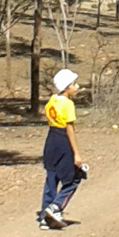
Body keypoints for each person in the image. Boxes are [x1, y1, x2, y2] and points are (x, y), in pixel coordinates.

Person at [39, 68, 86, 228]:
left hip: (51, 140)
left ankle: (44, 218)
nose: (77, 87)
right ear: (67, 87)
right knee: (74, 178)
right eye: (74, 84)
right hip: (63, 142)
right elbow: (69, 130)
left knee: (51, 179)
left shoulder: (52, 100)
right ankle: (56, 206)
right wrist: (77, 154)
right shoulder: (68, 104)